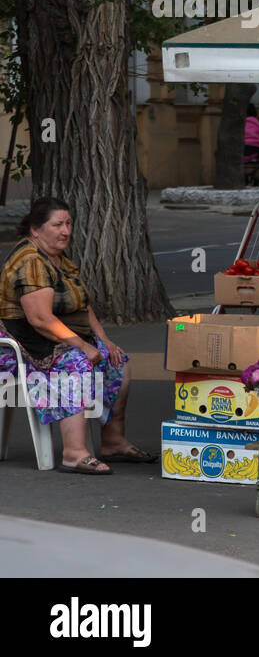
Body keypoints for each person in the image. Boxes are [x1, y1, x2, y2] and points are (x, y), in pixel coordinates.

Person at [0, 198, 154, 474]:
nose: (66, 231)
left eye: (68, 223)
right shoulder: (30, 261)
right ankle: (73, 452)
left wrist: (103, 339)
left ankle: (113, 441)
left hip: (54, 339)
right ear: (35, 230)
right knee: (75, 364)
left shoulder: (58, 258)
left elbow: (80, 304)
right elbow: (41, 319)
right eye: (57, 224)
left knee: (118, 361)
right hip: (23, 347)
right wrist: (82, 345)